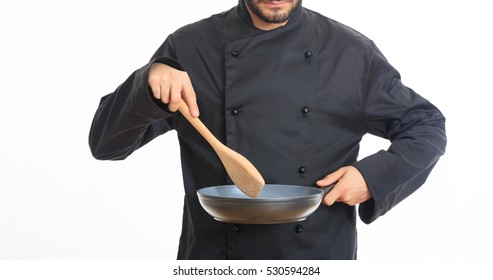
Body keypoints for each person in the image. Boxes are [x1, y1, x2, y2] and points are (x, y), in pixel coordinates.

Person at [89, 0, 446, 259]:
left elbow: (425, 125)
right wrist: (147, 82)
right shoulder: (190, 47)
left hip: (317, 259)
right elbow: (106, 144)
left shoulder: (350, 53)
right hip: (216, 261)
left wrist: (372, 178)